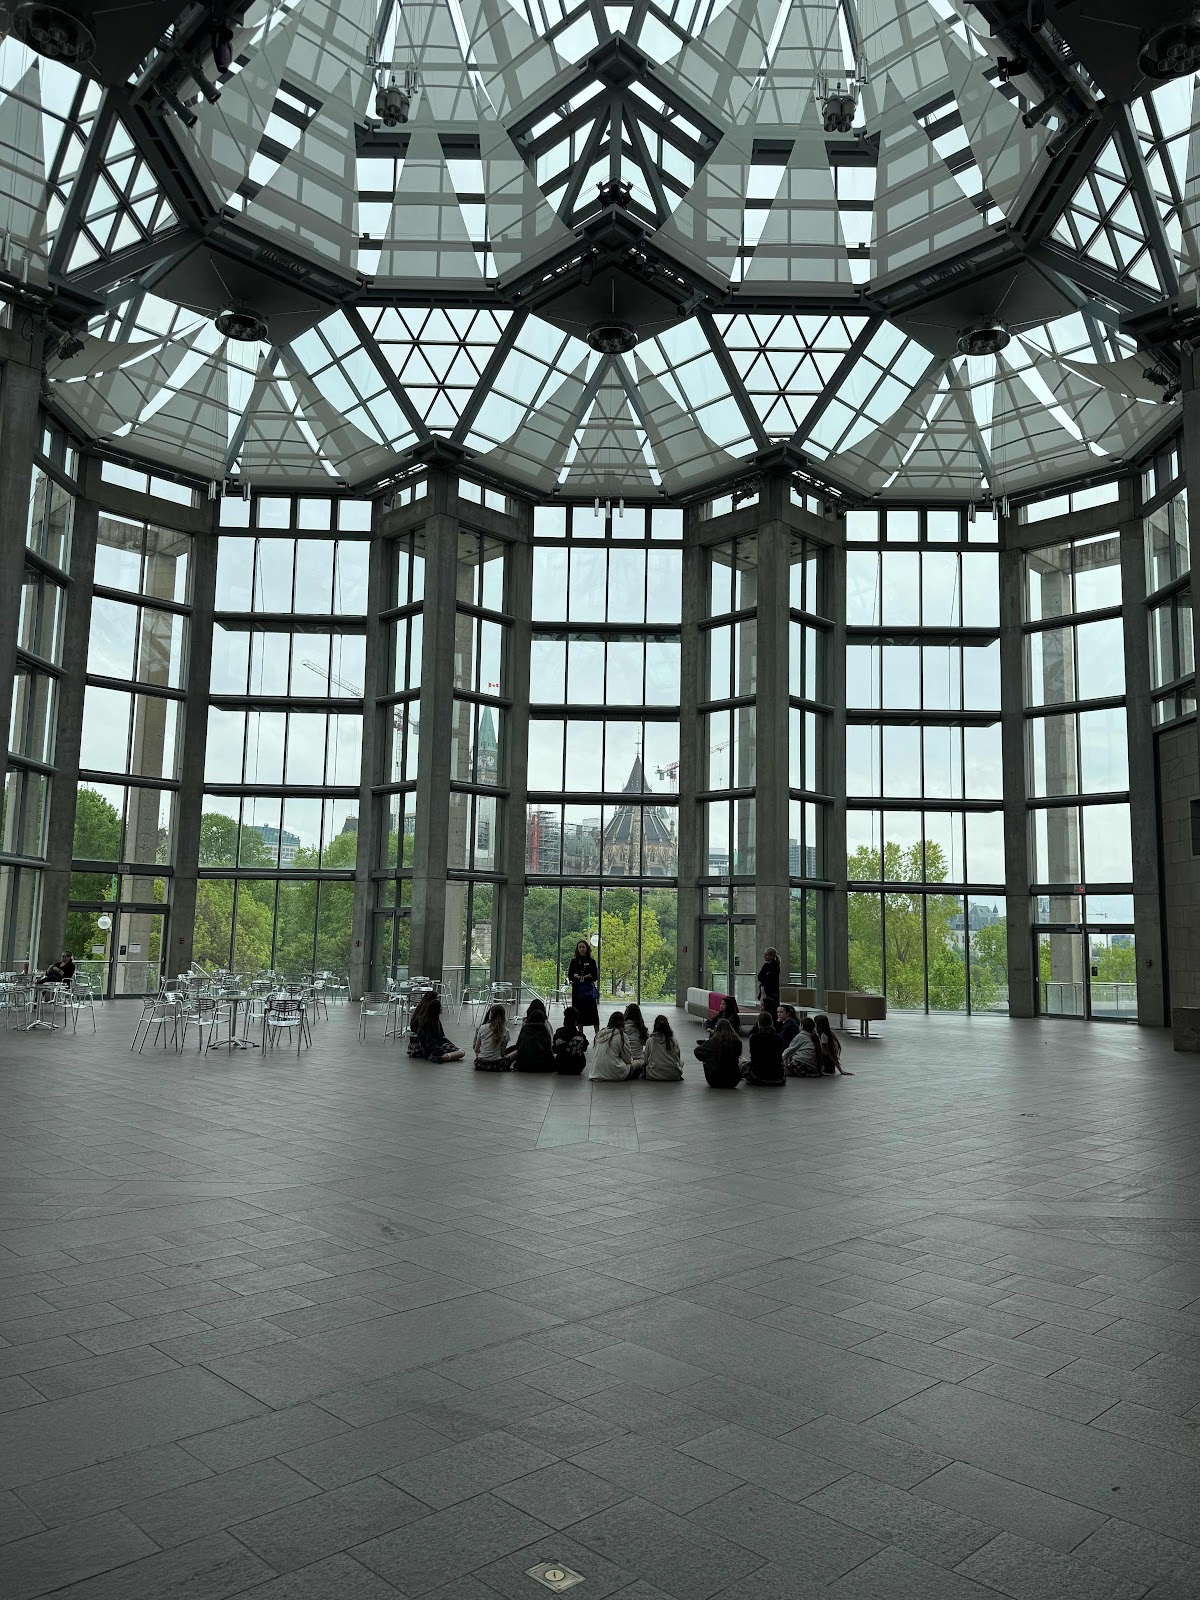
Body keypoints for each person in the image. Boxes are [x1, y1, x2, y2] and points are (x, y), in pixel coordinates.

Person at [408, 993, 465, 1062]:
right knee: (461, 1052)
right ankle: (444, 1057)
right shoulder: (432, 1021)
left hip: (414, 1047)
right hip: (428, 1047)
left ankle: (441, 1056)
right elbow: (434, 1039)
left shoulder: (419, 1014)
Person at [589, 1011, 639, 1080]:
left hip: (596, 1073)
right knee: (637, 1063)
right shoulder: (621, 1035)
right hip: (615, 1073)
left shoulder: (599, 1034)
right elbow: (627, 1059)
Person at [695, 1017, 742, 1088]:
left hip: (715, 1080)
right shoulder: (737, 1042)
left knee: (706, 1054)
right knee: (740, 1058)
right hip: (733, 1080)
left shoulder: (712, 1042)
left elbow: (697, 1051)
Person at [510, 999, 556, 1072]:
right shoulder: (546, 1025)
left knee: (513, 1049)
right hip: (542, 1063)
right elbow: (550, 1045)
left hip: (523, 1064)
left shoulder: (525, 1025)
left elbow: (518, 1045)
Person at [568, 939, 601, 1039]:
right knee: (579, 1014)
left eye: (583, 947)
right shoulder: (574, 962)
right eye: (580, 947)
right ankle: (580, 1035)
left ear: (587, 948)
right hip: (577, 991)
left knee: (593, 1014)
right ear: (577, 949)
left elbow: (595, 976)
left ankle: (598, 1036)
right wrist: (576, 976)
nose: (581, 949)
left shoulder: (592, 962)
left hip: (588, 991)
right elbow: (570, 975)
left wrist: (588, 977)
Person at [745, 1010, 786, 1085]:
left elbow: (753, 1056)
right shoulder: (779, 1038)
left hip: (758, 1075)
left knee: (742, 1061)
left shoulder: (754, 1038)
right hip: (777, 1075)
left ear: (759, 1023)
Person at [643, 1014, 683, 1081]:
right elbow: (677, 1057)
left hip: (654, 1074)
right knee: (681, 1062)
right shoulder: (672, 1040)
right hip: (673, 1074)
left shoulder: (650, 1041)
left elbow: (646, 1060)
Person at [553, 1007, 589, 1075]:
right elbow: (584, 1048)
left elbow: (554, 1050)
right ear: (575, 1021)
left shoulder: (558, 1034)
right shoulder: (581, 1036)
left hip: (561, 1067)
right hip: (577, 1068)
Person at [473, 1003, 509, 1070]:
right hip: (497, 1064)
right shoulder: (505, 1031)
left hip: (481, 1063)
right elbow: (502, 1053)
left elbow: (476, 1049)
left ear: (490, 1015)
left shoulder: (482, 1028)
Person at [622, 1003, 649, 1069]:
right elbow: (647, 1044)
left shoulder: (621, 1029)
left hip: (625, 1060)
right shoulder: (642, 1029)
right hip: (639, 1059)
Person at [757, 948, 781, 1014]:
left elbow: (770, 979)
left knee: (771, 1008)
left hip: (771, 991)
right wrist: (765, 977)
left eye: (766, 955)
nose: (764, 956)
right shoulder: (766, 965)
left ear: (771, 956)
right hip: (764, 989)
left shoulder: (775, 966)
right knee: (763, 1006)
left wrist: (765, 977)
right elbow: (760, 977)